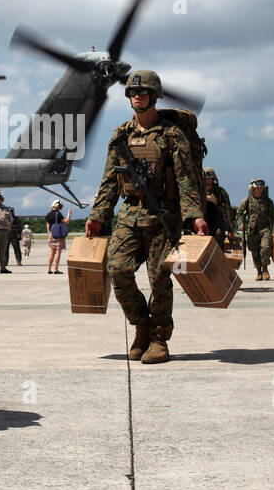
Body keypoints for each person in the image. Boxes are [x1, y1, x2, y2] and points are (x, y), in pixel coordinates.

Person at [85, 70, 209, 364]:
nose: (137, 97)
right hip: (129, 213)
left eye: (142, 92)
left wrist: (195, 216)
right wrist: (98, 215)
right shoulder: (121, 136)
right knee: (117, 269)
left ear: (155, 96)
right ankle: (141, 324)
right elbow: (109, 181)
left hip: (164, 215)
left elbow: (185, 179)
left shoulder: (171, 135)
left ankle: (158, 339)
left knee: (160, 278)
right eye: (132, 93)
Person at [238, 178, 274, 281]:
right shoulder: (247, 201)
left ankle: (265, 269)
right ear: (253, 188)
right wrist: (241, 224)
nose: (259, 190)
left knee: (266, 248)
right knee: (255, 251)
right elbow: (239, 213)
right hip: (252, 230)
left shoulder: (268, 201)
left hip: (265, 229)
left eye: (261, 188)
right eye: (257, 188)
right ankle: (259, 272)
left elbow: (273, 216)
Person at [203, 168, 236, 249]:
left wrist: (230, 230)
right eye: (206, 178)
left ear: (213, 178)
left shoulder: (220, 192)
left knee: (217, 250)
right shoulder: (198, 192)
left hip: (218, 226)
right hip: (203, 226)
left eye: (209, 178)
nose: (207, 180)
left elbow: (227, 210)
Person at [45, 199, 70, 273]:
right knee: (58, 253)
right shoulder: (58, 214)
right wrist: (69, 214)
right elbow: (67, 221)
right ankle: (56, 269)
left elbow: (48, 226)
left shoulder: (48, 215)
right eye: (60, 207)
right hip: (58, 234)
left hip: (51, 234)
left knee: (52, 253)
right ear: (58, 206)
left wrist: (49, 234)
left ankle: (49, 269)